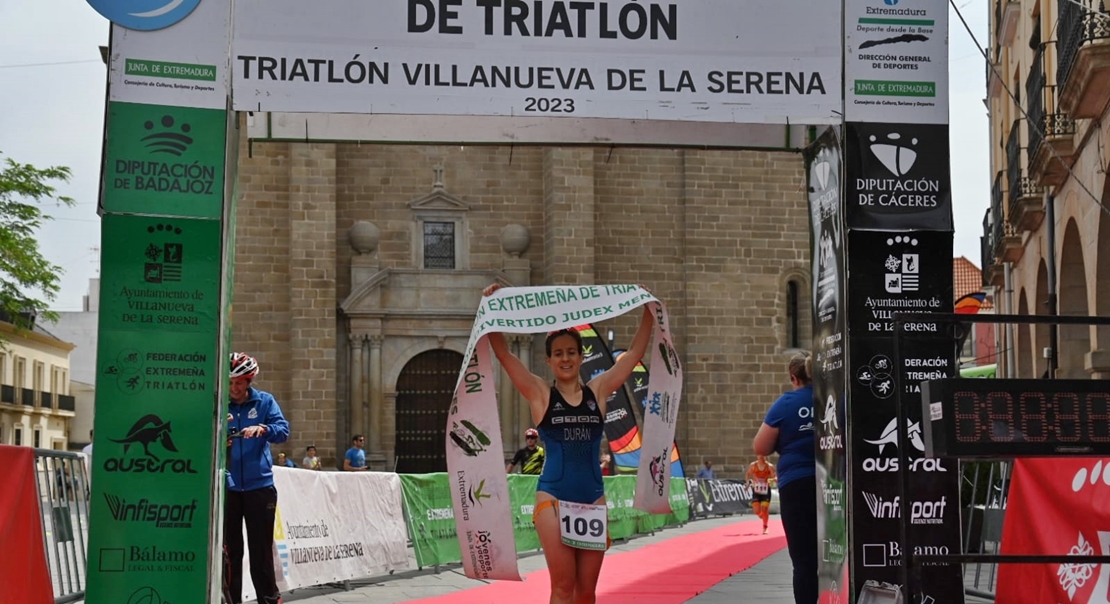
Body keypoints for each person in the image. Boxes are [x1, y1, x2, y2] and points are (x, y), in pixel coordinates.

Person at [483, 282, 655, 604]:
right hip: (553, 498)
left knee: (586, 592)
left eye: (571, 353)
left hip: (593, 499)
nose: (565, 359)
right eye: (558, 354)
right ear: (548, 360)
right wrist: (494, 307)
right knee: (563, 587)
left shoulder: (598, 390)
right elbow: (505, 355)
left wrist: (647, 309)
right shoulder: (540, 394)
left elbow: (633, 355)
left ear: (581, 356)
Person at [225, 352, 289, 604]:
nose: (234, 388)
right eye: (230, 382)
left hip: (259, 487)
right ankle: (230, 600)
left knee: (260, 549)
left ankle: (269, 599)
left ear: (249, 380)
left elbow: (283, 430)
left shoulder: (264, 402)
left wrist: (264, 429)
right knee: (231, 551)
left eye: (239, 382)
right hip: (228, 488)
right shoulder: (220, 404)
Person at [752, 352, 817, 604]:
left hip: (797, 482)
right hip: (834, 480)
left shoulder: (787, 403)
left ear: (794, 378)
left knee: (803, 559)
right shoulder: (834, 396)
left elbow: (761, 447)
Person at [746, 454, 777, 534]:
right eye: (759, 456)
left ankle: (765, 526)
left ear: (765, 457)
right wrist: (747, 483)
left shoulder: (769, 466)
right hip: (756, 489)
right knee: (757, 511)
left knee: (765, 509)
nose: (761, 457)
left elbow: (775, 477)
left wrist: (772, 479)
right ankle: (763, 516)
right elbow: (748, 474)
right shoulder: (753, 465)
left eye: (763, 456)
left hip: (765, 489)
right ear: (757, 456)